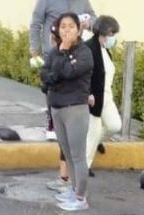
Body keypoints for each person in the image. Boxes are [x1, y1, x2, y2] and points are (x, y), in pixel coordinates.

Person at [40, 12, 93, 212]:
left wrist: (62, 57)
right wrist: (58, 67)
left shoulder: (84, 52)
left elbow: (70, 72)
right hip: (56, 107)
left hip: (75, 108)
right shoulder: (55, 52)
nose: (66, 30)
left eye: (71, 26)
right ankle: (73, 189)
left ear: (78, 29)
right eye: (63, 26)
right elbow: (45, 75)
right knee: (68, 154)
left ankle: (81, 197)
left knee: (78, 155)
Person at [30, 0, 96, 141]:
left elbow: (94, 18)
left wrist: (87, 23)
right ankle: (52, 121)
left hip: (76, 51)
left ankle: (72, 123)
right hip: (53, 51)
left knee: (74, 86)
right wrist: (34, 49)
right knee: (53, 86)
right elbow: (36, 23)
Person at [83, 15, 121, 174]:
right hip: (93, 99)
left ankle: (96, 142)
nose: (114, 38)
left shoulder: (105, 50)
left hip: (107, 96)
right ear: (103, 32)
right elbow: (83, 74)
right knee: (93, 133)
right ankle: (83, 168)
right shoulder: (88, 48)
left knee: (114, 126)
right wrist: (87, 94)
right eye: (112, 34)